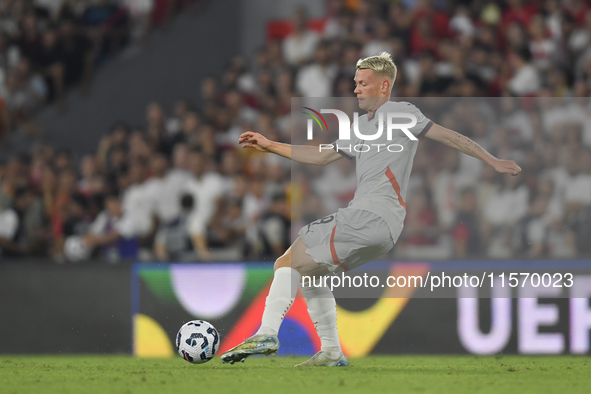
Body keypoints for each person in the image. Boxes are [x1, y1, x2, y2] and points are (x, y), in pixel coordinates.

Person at [221, 52, 521, 367]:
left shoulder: (400, 113)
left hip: (369, 216)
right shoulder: (361, 126)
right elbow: (322, 156)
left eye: (363, 83)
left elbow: (450, 137)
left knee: (287, 262)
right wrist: (271, 145)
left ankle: (267, 332)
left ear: (384, 85)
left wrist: (492, 160)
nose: (356, 89)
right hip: (383, 227)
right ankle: (332, 352)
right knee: (311, 273)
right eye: (355, 83)